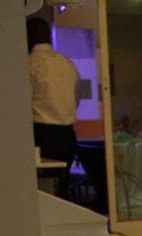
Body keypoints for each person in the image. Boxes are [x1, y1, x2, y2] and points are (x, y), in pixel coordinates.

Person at [27, 17, 80, 198]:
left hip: (41, 134)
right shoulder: (67, 63)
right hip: (67, 134)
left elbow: (22, 104)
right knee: (61, 188)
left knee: (41, 191)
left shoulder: (30, 63)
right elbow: (76, 98)